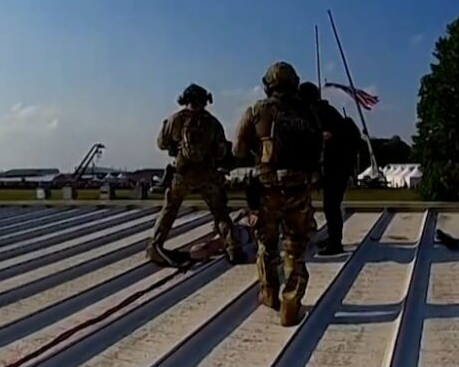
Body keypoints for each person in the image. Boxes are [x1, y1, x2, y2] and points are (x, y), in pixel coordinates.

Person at [233, 62, 321, 326]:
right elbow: (318, 150)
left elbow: (237, 150)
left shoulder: (257, 111)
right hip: (298, 190)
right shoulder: (307, 112)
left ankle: (268, 294)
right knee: (294, 248)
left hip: (266, 191)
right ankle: (290, 303)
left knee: (266, 244)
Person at [148, 83, 244, 266]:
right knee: (220, 212)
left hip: (182, 175)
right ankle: (233, 248)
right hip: (207, 175)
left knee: (170, 209)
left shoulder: (174, 120)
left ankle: (155, 246)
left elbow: (161, 143)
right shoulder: (213, 123)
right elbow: (222, 152)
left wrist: (175, 148)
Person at [298, 81, 362, 256]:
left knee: (331, 206)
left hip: (335, 166)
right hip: (339, 166)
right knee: (331, 205)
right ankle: (334, 238)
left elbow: (326, 136)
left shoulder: (318, 112)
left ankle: (335, 244)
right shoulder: (326, 110)